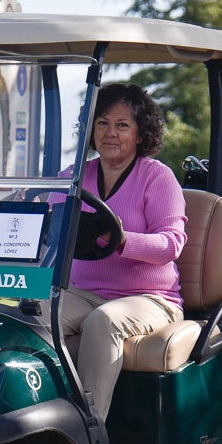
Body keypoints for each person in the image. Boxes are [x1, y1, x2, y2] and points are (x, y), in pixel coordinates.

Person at [55, 82, 186, 422]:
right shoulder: (74, 177)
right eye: (102, 123)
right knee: (34, 313)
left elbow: (171, 244)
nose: (110, 132)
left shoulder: (157, 178)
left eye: (122, 125)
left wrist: (123, 241)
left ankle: (88, 430)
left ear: (141, 134)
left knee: (104, 322)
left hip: (150, 298)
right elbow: (49, 223)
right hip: (83, 292)